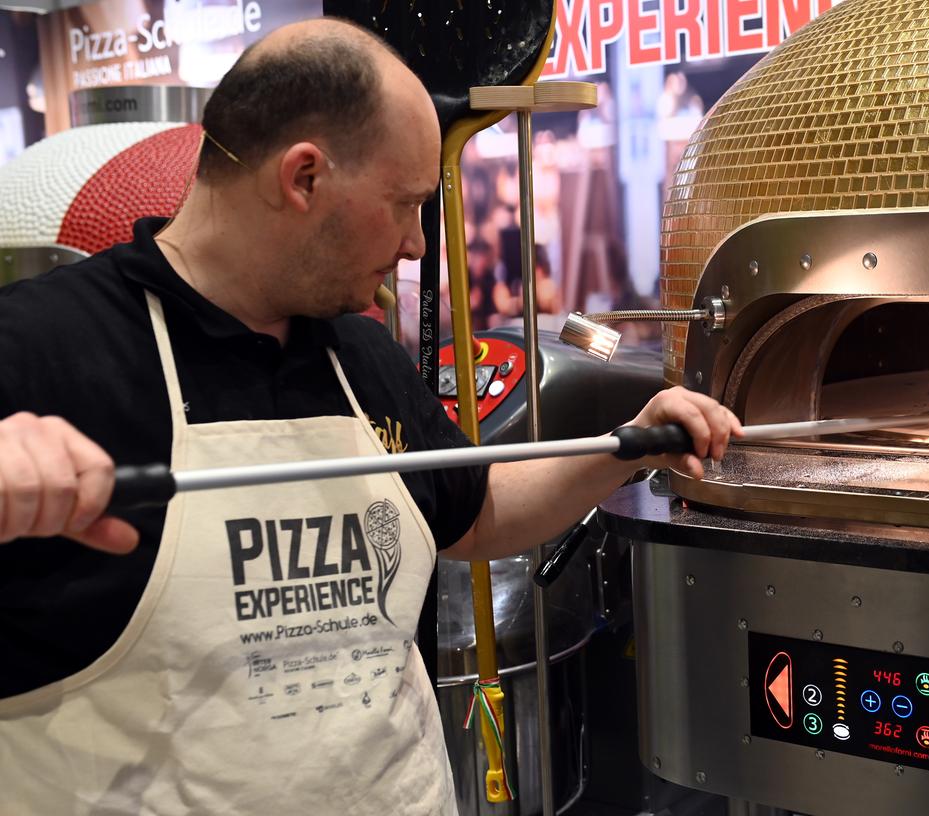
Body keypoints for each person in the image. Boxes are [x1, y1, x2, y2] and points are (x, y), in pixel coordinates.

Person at [0, 19, 738, 815]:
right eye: (405, 205)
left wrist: (627, 445)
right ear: (305, 178)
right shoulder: (39, 347)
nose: (418, 244)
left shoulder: (360, 355)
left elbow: (476, 511)